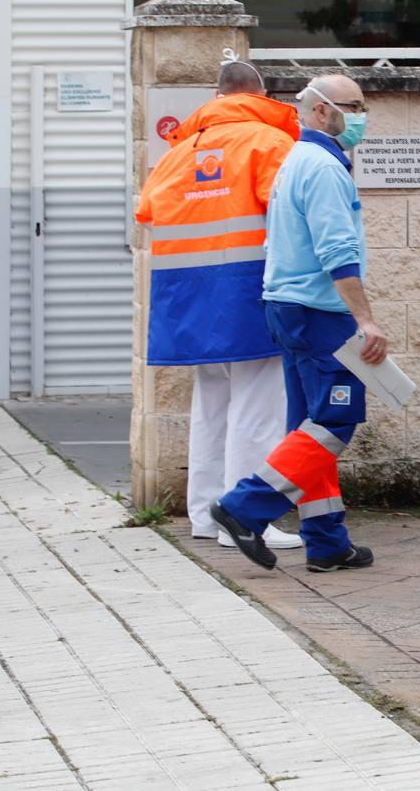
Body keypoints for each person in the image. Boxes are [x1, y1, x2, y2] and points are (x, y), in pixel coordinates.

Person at [210, 73, 386, 573]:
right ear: (323, 111)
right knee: (335, 421)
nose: (362, 116)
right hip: (319, 313)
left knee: (307, 428)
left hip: (288, 308)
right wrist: (366, 320)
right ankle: (243, 508)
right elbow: (337, 250)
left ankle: (327, 541)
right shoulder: (325, 168)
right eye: (354, 107)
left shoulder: (298, 159)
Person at [134, 52, 303, 551]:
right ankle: (245, 516)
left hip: (187, 293)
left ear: (217, 97)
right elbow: (289, 210)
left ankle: (206, 515)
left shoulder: (180, 150)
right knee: (259, 406)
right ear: (262, 97)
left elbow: (147, 212)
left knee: (212, 406)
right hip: (248, 289)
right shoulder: (270, 141)